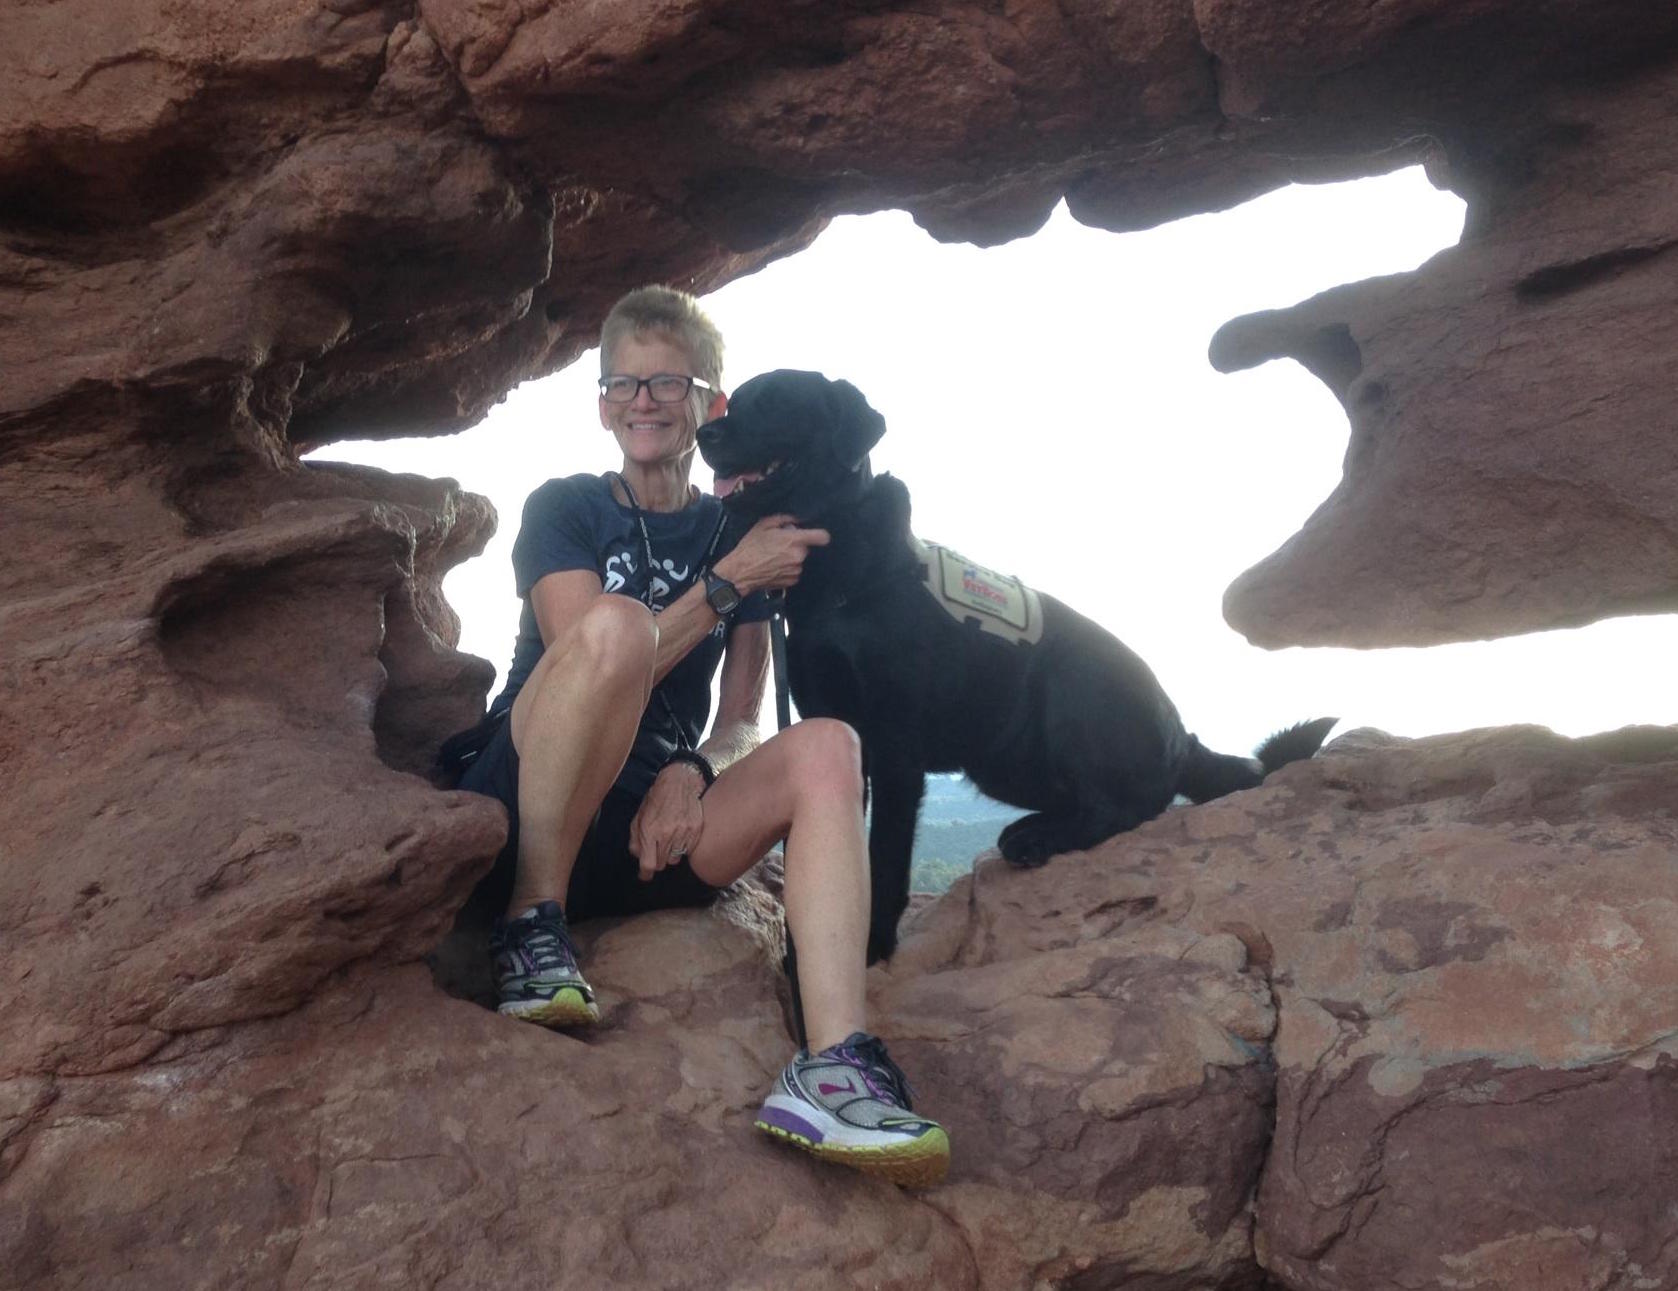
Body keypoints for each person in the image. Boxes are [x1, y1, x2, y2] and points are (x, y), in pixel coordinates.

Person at [456, 285, 950, 1186]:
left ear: (710, 404)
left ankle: (833, 1062)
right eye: (622, 383)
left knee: (831, 743)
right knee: (614, 625)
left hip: (657, 827)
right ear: (601, 403)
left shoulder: (741, 525)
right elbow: (591, 661)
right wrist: (724, 583)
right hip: (536, 793)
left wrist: (692, 764)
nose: (642, 400)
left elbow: (744, 716)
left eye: (667, 382)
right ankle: (533, 921)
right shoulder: (567, 507)